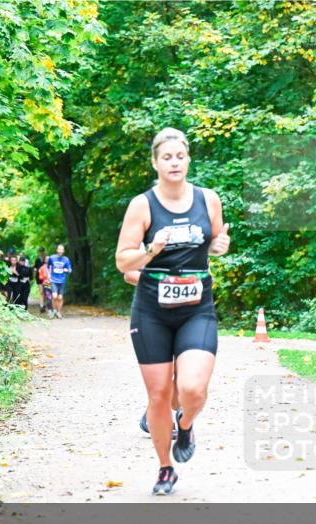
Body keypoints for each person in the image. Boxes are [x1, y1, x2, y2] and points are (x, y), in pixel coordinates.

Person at [115, 128, 231, 495]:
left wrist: (220, 246)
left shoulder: (208, 199)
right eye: (166, 157)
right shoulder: (143, 205)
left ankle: (187, 422)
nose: (174, 162)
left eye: (179, 156)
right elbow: (123, 260)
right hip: (152, 311)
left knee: (193, 388)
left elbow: (213, 244)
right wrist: (151, 249)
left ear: (188, 159)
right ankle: (165, 467)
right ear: (155, 163)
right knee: (160, 394)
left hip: (197, 308)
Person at [125, 268, 180, 440]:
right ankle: (158, 414)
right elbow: (129, 273)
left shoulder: (197, 241)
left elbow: (205, 274)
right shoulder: (148, 243)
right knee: (162, 376)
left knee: (186, 371)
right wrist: (168, 284)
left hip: (190, 314)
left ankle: (162, 412)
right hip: (152, 313)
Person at [47, 244, 72, 319]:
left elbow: (70, 269)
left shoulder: (66, 259)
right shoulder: (52, 258)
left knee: (60, 297)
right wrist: (48, 275)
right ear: (57, 250)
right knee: (54, 296)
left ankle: (59, 312)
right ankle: (54, 310)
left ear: (63, 251)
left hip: (62, 280)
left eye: (62, 249)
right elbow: (47, 267)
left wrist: (67, 270)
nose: (60, 251)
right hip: (53, 280)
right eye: (59, 249)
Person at [34, 247, 48, 313]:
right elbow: (35, 267)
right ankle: (41, 305)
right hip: (39, 277)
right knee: (41, 292)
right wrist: (35, 270)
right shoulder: (37, 260)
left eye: (42, 251)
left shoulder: (46, 259)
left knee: (46, 292)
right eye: (40, 251)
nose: (41, 252)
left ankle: (45, 304)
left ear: (44, 252)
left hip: (46, 278)